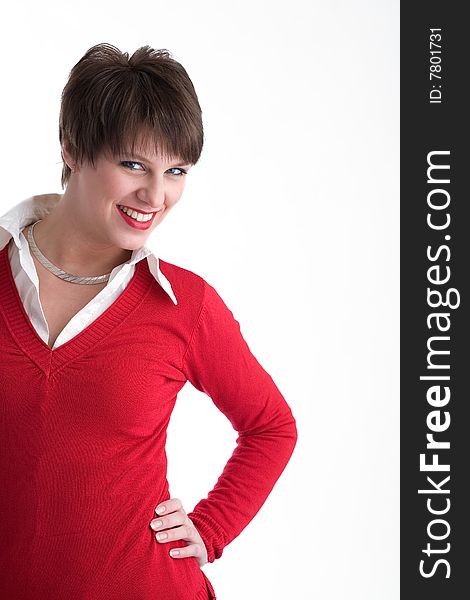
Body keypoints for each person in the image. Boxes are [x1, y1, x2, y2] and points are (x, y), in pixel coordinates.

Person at [0, 43, 298, 599]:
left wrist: (210, 530)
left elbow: (272, 426)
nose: (155, 196)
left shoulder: (186, 307)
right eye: (133, 164)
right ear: (72, 148)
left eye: (176, 170)